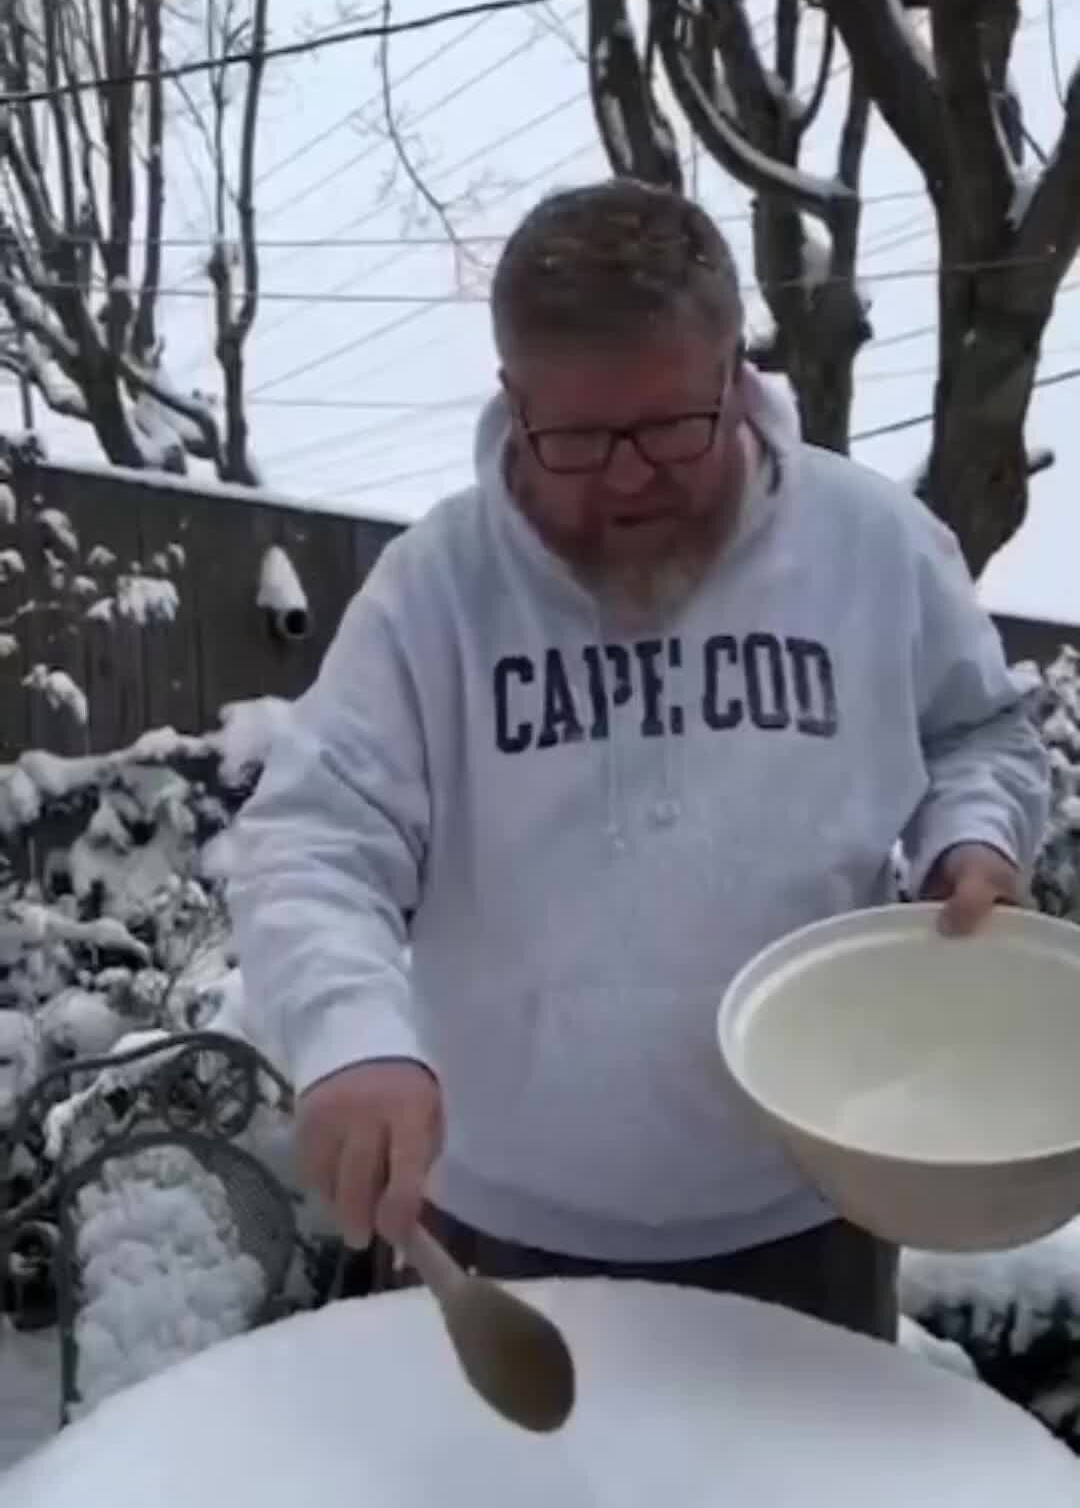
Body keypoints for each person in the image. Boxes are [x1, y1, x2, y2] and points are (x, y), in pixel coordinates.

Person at [228, 179, 1050, 1341]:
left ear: (736, 376)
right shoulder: (437, 591)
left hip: (810, 1207)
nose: (624, 480)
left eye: (671, 431)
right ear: (513, 400)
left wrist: (973, 837)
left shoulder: (872, 547)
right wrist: (352, 1039)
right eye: (570, 440)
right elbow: (313, 839)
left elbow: (977, 732)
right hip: (497, 1228)